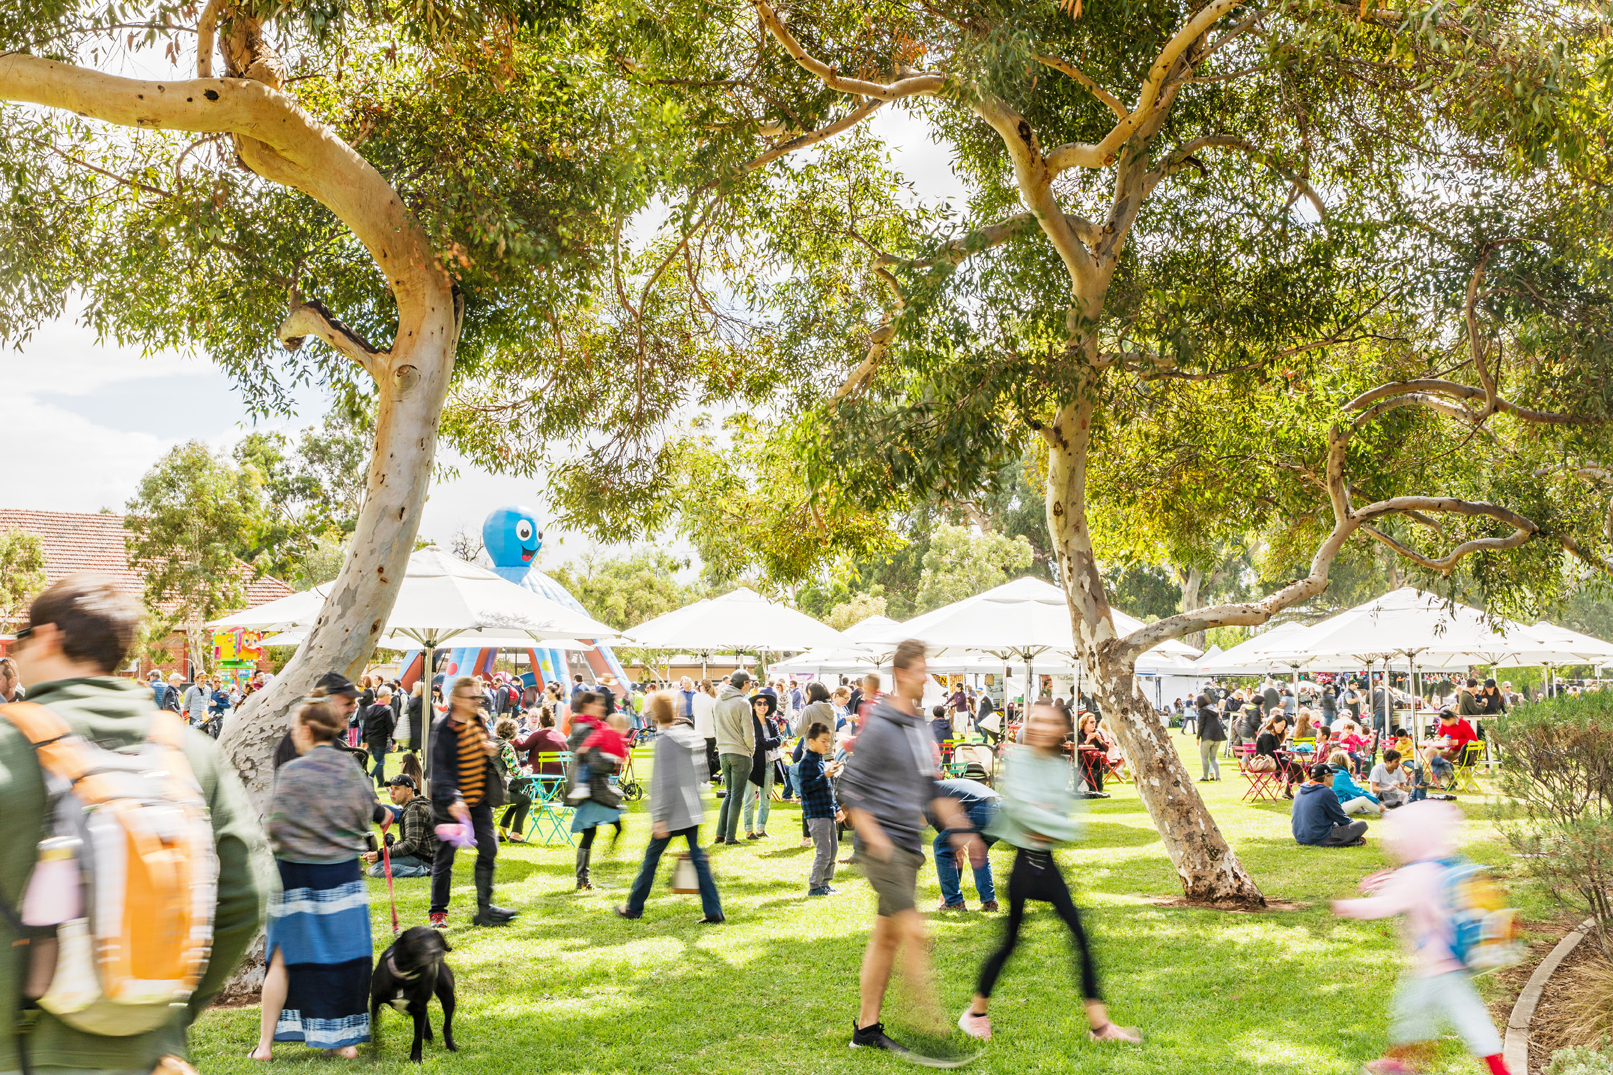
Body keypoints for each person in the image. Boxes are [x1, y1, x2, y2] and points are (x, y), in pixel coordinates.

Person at [1, 574, 269, 1074]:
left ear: (51, 637)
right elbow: (247, 895)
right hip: (149, 1052)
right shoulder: (190, 750)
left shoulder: (9, 747)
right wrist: (174, 1014)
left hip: (22, 1051)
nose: (15, 650)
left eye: (22, 635)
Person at [958, 702, 1140, 1045]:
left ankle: (1100, 1027)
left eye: (1048, 722)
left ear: (1060, 729)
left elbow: (1061, 822)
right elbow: (1023, 813)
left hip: (1047, 865)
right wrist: (1043, 816)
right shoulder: (1019, 762)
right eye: (1035, 721)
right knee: (1010, 942)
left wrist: (1042, 817)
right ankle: (975, 1013)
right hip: (1025, 866)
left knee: (1081, 938)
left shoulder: (1059, 767)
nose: (1041, 727)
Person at [838, 639, 977, 1061]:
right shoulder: (880, 723)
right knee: (914, 931)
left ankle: (866, 1030)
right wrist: (874, 836)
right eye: (920, 670)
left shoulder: (917, 726)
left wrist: (957, 828)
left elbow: (926, 789)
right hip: (884, 849)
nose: (926, 677)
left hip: (907, 847)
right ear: (901, 674)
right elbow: (849, 787)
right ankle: (933, 1032)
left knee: (887, 938)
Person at [1331, 801, 1515, 1075]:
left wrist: (1344, 906)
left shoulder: (1415, 874)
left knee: (1412, 1014)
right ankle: (1497, 1068)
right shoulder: (1447, 864)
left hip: (1432, 967)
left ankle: (1399, 1064)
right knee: (1468, 1018)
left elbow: (1385, 905)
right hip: (1455, 961)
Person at [255, 695, 389, 1060]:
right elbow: (366, 815)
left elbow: (274, 827)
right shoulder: (351, 769)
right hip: (341, 874)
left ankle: (265, 1046)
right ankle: (344, 1041)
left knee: (282, 958)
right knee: (344, 957)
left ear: (306, 730)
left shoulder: (292, 772)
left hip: (294, 875)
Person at [615, 692, 724, 922]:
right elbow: (702, 772)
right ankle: (713, 909)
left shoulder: (665, 742)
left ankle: (634, 907)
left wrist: (660, 817)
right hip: (691, 807)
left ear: (654, 715)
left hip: (673, 812)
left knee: (651, 860)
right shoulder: (690, 735)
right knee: (697, 860)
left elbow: (664, 782)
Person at [427, 676, 517, 928]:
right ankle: (438, 912)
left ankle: (484, 910)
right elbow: (439, 770)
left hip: (478, 802)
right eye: (472, 697)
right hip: (450, 805)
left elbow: (479, 750)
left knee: (489, 849)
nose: (478, 701)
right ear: (456, 699)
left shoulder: (477, 721)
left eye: (479, 697)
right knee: (445, 858)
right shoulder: (443, 728)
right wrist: (454, 798)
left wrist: (488, 750)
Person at [569, 702, 627, 890]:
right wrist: (613, 764)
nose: (602, 708)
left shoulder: (594, 728)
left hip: (597, 789)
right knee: (592, 832)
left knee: (600, 830)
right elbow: (596, 762)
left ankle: (584, 878)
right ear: (588, 706)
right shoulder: (588, 729)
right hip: (593, 791)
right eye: (598, 705)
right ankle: (582, 879)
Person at [933, 778, 1001, 912]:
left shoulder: (924, 794)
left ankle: (954, 901)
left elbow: (945, 838)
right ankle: (989, 901)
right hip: (1000, 810)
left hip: (981, 808)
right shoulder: (938, 787)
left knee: (941, 845)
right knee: (978, 851)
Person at [799, 720, 842, 896]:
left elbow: (828, 790)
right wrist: (825, 775)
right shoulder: (806, 762)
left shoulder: (820, 761)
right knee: (823, 851)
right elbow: (806, 788)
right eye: (823, 741)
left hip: (827, 812)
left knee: (833, 851)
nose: (827, 744)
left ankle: (825, 883)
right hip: (816, 815)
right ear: (811, 741)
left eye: (828, 741)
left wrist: (836, 808)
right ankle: (815, 886)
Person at [712, 670, 755, 845]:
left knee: (730, 794)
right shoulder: (743, 703)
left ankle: (720, 835)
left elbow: (715, 727)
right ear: (744, 683)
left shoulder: (718, 700)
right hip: (740, 752)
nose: (751, 686)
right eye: (749, 682)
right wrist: (751, 750)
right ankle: (730, 838)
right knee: (736, 796)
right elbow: (748, 732)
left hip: (723, 751)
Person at [362, 776, 435, 878]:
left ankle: (425, 872)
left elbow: (410, 845)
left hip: (425, 860)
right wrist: (381, 853)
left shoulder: (414, 809)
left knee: (375, 870)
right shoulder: (412, 807)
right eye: (391, 788)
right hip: (422, 856)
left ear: (408, 790)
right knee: (377, 864)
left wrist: (381, 855)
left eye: (396, 789)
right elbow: (406, 841)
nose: (392, 792)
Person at [1292, 762, 1369, 847]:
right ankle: (1347, 841)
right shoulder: (1327, 793)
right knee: (1362, 825)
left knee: (1336, 824)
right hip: (1319, 837)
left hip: (1300, 837)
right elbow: (1342, 819)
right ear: (1326, 778)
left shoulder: (1301, 789)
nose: (1333, 777)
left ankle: (1348, 840)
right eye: (1332, 775)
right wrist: (1352, 828)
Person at [742, 692, 783, 839]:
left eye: (765, 703)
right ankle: (748, 830)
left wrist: (760, 741)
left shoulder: (772, 723)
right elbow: (751, 742)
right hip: (754, 764)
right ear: (753, 706)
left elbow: (777, 740)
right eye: (759, 703)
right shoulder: (750, 722)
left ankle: (761, 828)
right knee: (750, 799)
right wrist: (766, 742)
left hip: (770, 764)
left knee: (766, 798)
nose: (762, 706)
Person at [494, 718, 531, 842]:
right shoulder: (507, 747)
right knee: (525, 800)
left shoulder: (488, 742)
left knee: (515, 790)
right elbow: (517, 774)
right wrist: (525, 771)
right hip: (494, 792)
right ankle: (515, 834)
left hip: (479, 789)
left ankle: (502, 831)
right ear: (514, 733)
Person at [1422, 708, 1477, 789]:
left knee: (1462, 763)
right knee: (1437, 758)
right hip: (1451, 749)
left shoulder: (1464, 724)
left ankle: (1467, 784)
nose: (1443, 724)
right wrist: (1437, 737)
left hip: (1463, 750)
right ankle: (1441, 781)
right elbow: (1441, 733)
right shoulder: (1445, 724)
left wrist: (1458, 741)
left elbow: (1473, 740)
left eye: (1444, 722)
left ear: (1451, 719)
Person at [1328, 751, 1385, 816]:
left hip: (1328, 806)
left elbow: (1346, 793)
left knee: (1359, 802)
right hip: (1334, 808)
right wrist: (1377, 802)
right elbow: (1358, 791)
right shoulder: (1340, 775)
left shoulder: (1329, 772)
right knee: (1363, 799)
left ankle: (1372, 810)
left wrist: (1354, 799)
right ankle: (1384, 811)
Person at [512, 706, 568, 771]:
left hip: (540, 773)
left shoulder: (538, 735)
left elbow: (521, 747)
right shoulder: (561, 736)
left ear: (541, 724)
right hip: (560, 774)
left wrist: (516, 736)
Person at [361, 685, 396, 787]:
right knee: (380, 762)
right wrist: (394, 741)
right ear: (386, 695)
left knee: (379, 760)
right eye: (390, 695)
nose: (391, 698)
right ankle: (370, 777)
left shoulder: (369, 709)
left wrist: (364, 740)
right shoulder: (387, 709)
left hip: (371, 739)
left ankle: (381, 783)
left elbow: (365, 726)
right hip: (381, 739)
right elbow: (391, 727)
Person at [1195, 692, 1225, 781]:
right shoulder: (1214, 709)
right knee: (1213, 758)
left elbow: (1201, 725)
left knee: (1204, 757)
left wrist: (1198, 737)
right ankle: (1218, 777)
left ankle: (1205, 777)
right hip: (1217, 736)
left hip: (1207, 736)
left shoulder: (1203, 711)